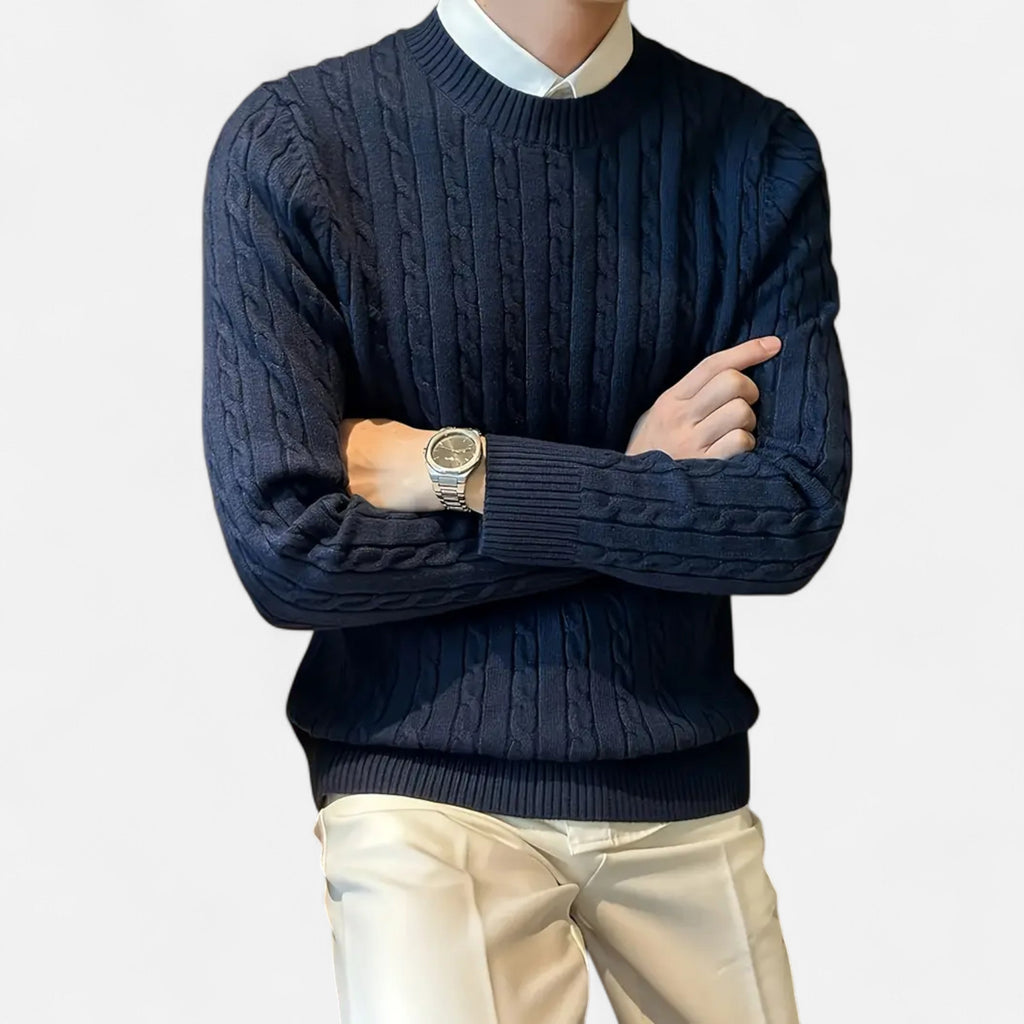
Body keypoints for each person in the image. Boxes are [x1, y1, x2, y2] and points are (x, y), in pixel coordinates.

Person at [201, 0, 852, 1020]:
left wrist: (472, 472)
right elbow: (292, 552)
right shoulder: (297, 145)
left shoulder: (754, 153)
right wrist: (638, 482)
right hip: (422, 792)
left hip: (682, 785)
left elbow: (789, 517)